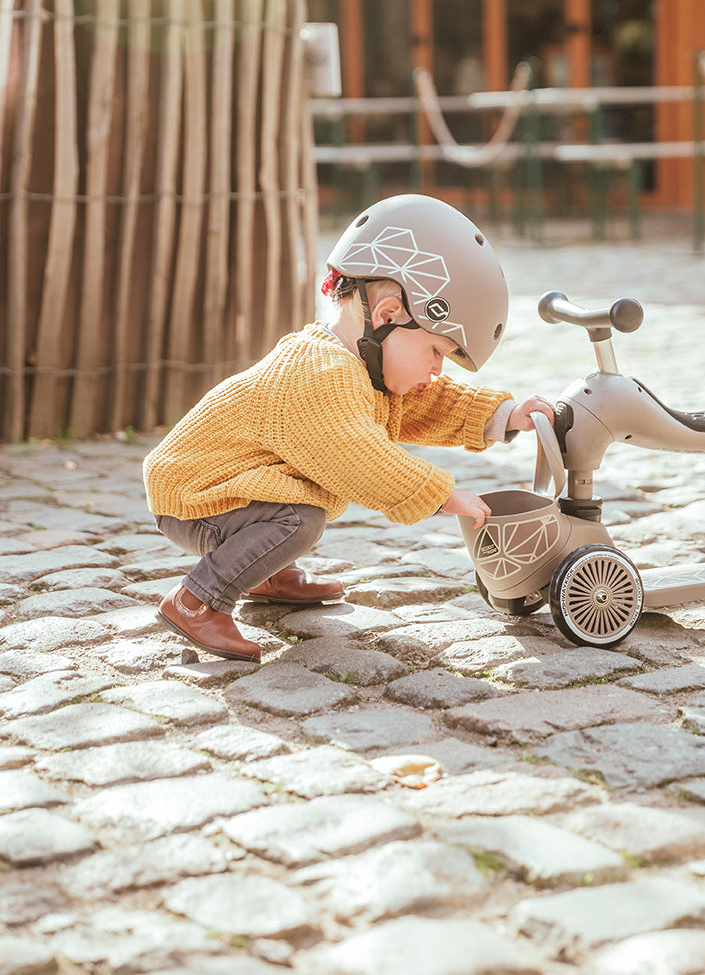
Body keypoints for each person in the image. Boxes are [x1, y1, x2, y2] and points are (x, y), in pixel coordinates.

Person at [144, 194, 554, 663]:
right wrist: (441, 494)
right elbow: (358, 458)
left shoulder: (362, 368)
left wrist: (504, 415)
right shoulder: (321, 372)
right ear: (388, 316)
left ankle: (268, 575)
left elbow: (425, 403)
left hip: (226, 487)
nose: (438, 369)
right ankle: (196, 601)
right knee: (299, 519)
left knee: (300, 507)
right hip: (197, 495)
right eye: (436, 352)